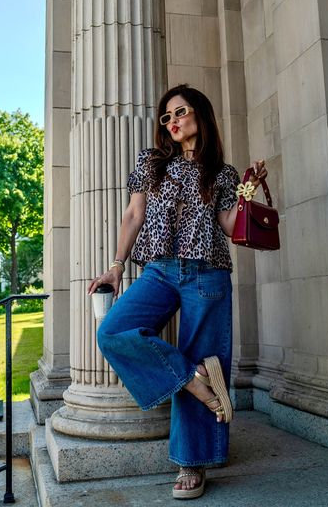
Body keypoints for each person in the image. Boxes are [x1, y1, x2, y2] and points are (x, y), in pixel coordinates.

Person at [88, 84, 267, 500]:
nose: (172, 122)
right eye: (166, 117)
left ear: (200, 115)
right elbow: (134, 213)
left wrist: (247, 189)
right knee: (113, 331)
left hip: (208, 273)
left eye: (180, 113)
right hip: (159, 271)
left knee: (205, 352)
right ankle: (190, 377)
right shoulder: (152, 163)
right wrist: (117, 266)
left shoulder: (221, 172)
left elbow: (229, 226)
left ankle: (192, 463)